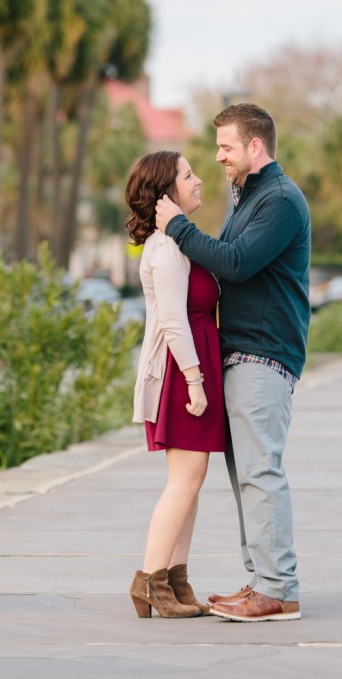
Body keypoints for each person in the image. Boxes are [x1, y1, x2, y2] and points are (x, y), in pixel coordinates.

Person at [155, 103, 310, 623]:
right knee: (246, 473)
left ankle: (278, 589)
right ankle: (262, 582)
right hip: (239, 355)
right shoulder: (250, 196)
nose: (218, 156)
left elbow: (237, 263)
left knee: (260, 472)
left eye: (225, 146)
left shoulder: (281, 200)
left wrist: (177, 227)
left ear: (255, 146)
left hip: (264, 354)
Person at [125, 151, 226, 619]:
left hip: (194, 366)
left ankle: (176, 580)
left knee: (192, 480)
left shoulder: (178, 241)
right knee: (183, 480)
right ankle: (149, 580)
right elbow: (171, 320)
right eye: (189, 175)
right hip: (181, 372)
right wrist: (195, 381)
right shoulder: (165, 248)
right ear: (168, 192)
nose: (199, 180)